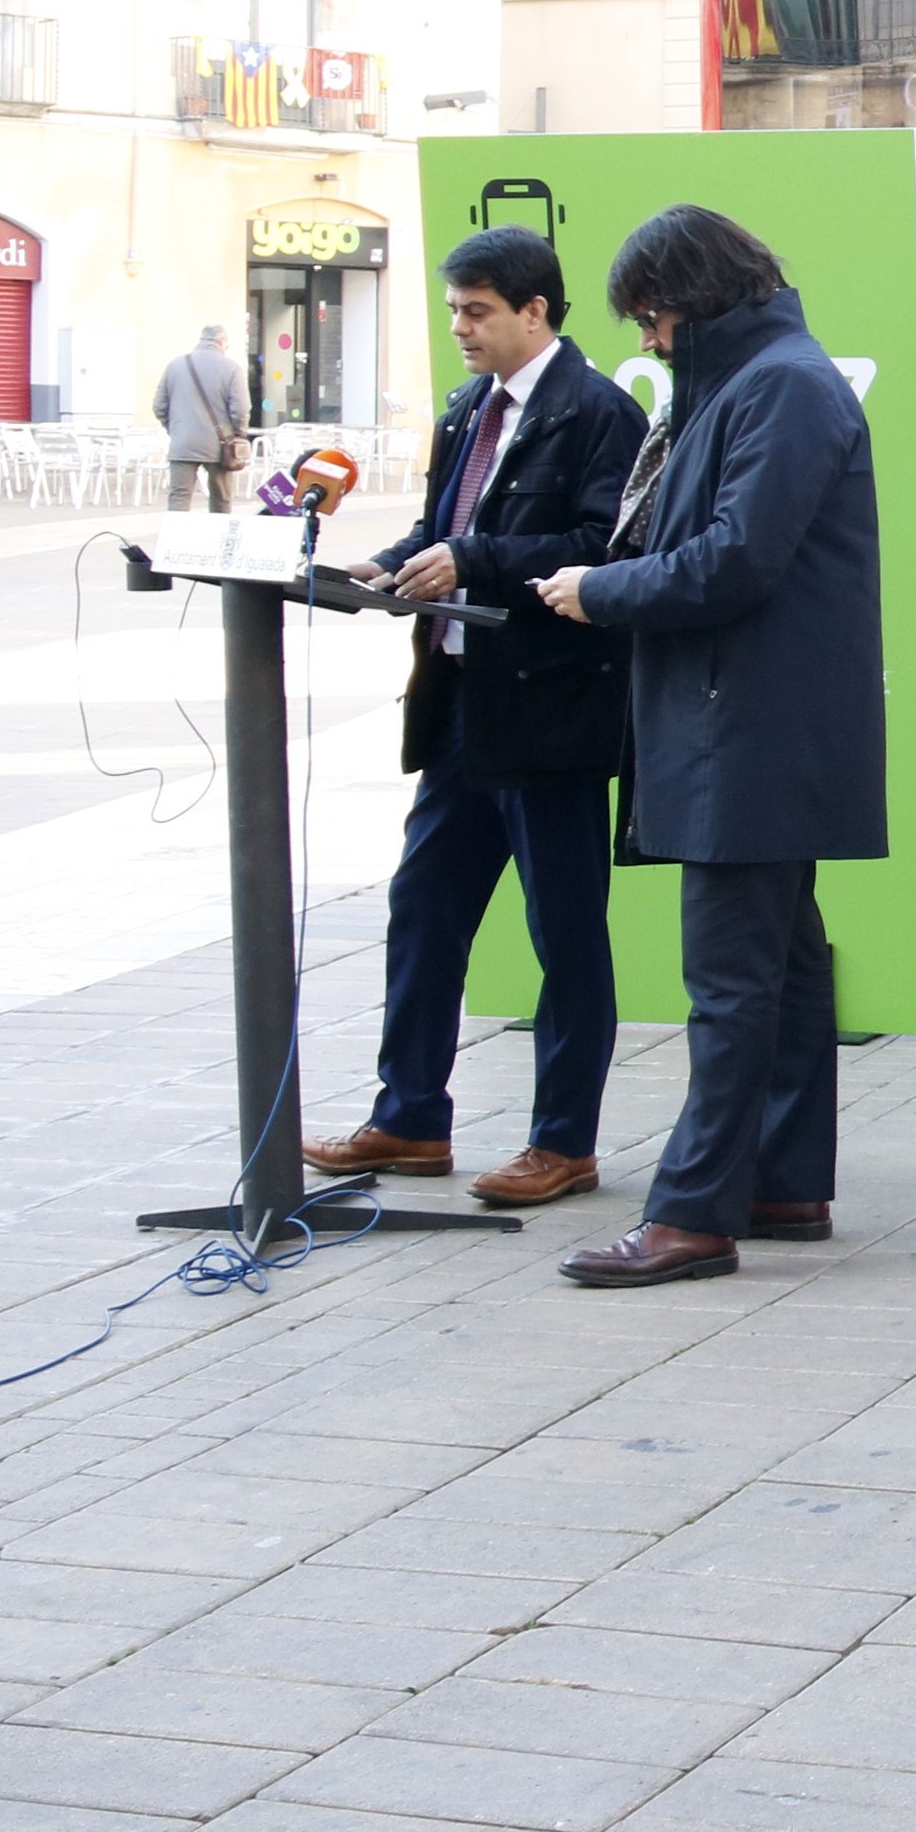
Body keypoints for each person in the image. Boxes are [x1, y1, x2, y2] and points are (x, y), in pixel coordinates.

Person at [533, 205, 883, 1286]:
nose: (644, 340)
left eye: (650, 317)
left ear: (693, 298)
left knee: (731, 980)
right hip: (753, 720)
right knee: (776, 971)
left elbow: (735, 559)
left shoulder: (778, 382)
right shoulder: (757, 376)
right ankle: (782, 1181)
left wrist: (600, 592)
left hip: (752, 728)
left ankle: (691, 1215)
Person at [302, 228, 646, 1207]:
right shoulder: (466, 411)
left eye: (478, 310)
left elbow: (600, 544)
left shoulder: (598, 414)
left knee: (565, 931)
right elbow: (445, 527)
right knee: (423, 906)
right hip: (460, 705)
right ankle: (409, 1117)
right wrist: (383, 565)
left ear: (535, 310)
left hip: (551, 712)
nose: (460, 327)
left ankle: (563, 1141)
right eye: (454, 309)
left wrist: (474, 559)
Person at [153, 325, 246, 511]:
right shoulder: (232, 369)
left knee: (179, 498)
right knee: (221, 499)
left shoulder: (175, 365)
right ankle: (218, 538)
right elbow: (241, 409)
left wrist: (174, 428)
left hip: (183, 442)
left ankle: (175, 539)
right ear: (222, 342)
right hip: (220, 444)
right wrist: (238, 434)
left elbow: (159, 406)